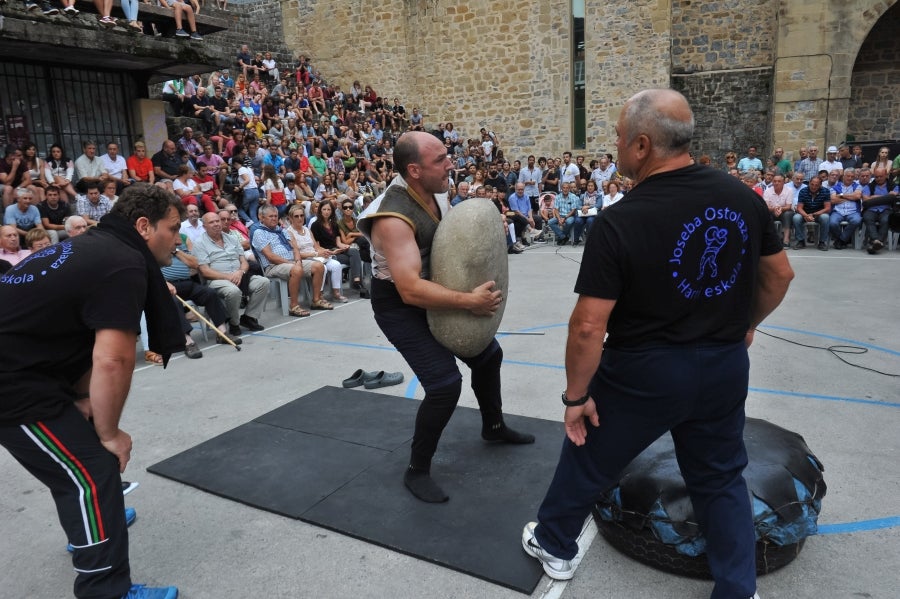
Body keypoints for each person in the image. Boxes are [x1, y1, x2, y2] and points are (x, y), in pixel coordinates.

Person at [521, 89, 793, 599]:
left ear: (642, 145)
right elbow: (779, 275)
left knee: (589, 452)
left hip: (646, 369)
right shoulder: (742, 198)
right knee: (719, 476)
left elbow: (587, 325)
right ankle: (738, 589)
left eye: (620, 139)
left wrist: (576, 397)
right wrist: (746, 323)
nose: (617, 147)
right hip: (723, 364)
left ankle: (554, 543)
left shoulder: (620, 220)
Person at [0, 184, 185, 599]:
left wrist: (82, 399)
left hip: (32, 371)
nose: (179, 238)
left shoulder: (98, 247)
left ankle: (92, 524)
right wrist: (110, 433)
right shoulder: (122, 263)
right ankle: (106, 590)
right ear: (143, 225)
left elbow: (75, 335)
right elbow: (112, 359)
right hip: (13, 385)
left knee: (77, 465)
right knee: (91, 474)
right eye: (173, 229)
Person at [358, 131, 534, 504]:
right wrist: (468, 302)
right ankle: (417, 470)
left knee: (489, 354)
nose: (450, 163)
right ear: (414, 170)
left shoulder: (436, 189)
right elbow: (408, 290)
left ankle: (494, 425)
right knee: (443, 384)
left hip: (433, 288)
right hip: (400, 304)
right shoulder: (392, 217)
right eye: (440, 160)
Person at [193, 211, 269, 334]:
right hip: (217, 280)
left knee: (263, 282)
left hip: (239, 276)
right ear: (204, 226)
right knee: (233, 291)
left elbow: (243, 261)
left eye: (217, 221)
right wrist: (228, 277)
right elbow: (205, 271)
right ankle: (234, 323)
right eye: (211, 222)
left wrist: (240, 273)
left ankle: (249, 317)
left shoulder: (232, 238)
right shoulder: (200, 243)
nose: (216, 224)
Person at [792, 176, 831, 250]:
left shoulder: (825, 191)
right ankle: (801, 241)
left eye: (816, 185)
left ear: (820, 185)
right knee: (796, 218)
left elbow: (827, 208)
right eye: (812, 184)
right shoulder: (803, 191)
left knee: (825, 217)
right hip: (805, 213)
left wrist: (814, 214)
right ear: (809, 183)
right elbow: (799, 208)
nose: (814, 187)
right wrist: (806, 216)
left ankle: (822, 242)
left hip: (819, 214)